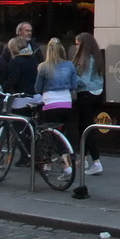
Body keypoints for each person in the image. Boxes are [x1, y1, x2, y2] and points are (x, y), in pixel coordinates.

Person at [34, 38, 78, 181]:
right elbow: (74, 85)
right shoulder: (70, 66)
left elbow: (38, 88)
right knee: (62, 134)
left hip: (50, 104)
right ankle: (61, 162)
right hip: (66, 103)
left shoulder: (43, 67)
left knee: (50, 136)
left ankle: (64, 167)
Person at [72, 32, 105, 176]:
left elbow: (83, 81)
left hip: (86, 93)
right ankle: (83, 158)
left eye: (78, 44)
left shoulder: (86, 59)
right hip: (97, 93)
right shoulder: (97, 57)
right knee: (85, 126)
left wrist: (73, 77)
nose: (76, 47)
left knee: (86, 128)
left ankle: (96, 161)